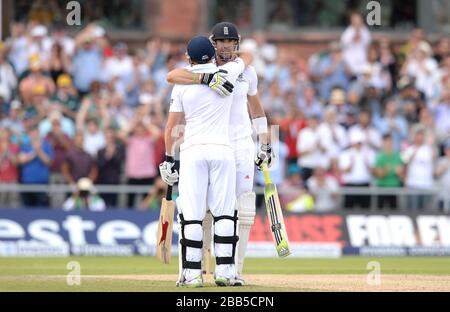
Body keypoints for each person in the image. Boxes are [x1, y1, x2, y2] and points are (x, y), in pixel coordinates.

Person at [166, 22, 270, 285]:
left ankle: (233, 270)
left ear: (236, 44)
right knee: (207, 211)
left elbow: (257, 111)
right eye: (220, 42)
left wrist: (267, 144)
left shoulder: (247, 72)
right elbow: (174, 75)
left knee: (241, 209)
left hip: (240, 145)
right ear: (212, 45)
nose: (225, 46)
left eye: (230, 42)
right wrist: (205, 76)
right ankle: (192, 270)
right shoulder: (199, 72)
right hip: (218, 146)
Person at [17, 126, 54, 207]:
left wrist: (39, 151)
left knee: (42, 207)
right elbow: (21, 160)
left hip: (42, 183)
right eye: (32, 133)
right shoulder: (25, 146)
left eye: (36, 133)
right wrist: (34, 152)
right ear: (29, 134)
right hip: (27, 183)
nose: (34, 135)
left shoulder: (46, 146)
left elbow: (48, 161)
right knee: (27, 208)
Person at [402, 127, 435, 210]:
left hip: (426, 185)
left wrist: (431, 144)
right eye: (418, 135)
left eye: (421, 136)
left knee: (426, 211)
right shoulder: (410, 149)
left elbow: (434, 158)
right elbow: (404, 162)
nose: (420, 138)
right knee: (413, 210)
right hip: (413, 184)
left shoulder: (428, 149)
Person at [374, 134, 405, 209]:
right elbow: (379, 174)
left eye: (390, 141)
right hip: (382, 186)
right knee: (380, 210)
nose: (389, 144)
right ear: (383, 143)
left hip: (394, 186)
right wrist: (386, 170)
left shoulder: (397, 155)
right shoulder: (380, 156)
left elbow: (401, 174)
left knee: (394, 210)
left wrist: (399, 172)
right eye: (387, 142)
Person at [435, 140, 450, 212]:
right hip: (443, 196)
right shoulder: (441, 160)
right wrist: (447, 161)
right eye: (448, 149)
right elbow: (437, 173)